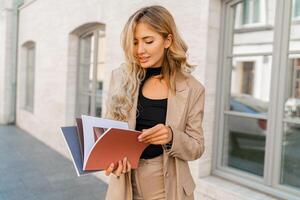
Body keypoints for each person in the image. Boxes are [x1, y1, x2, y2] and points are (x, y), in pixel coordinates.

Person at [104, 5, 205, 200]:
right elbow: (109, 133)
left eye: (148, 41)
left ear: (168, 40)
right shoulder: (120, 78)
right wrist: (112, 160)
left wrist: (171, 136)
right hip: (125, 184)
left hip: (168, 187)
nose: (140, 50)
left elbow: (197, 147)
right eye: (134, 42)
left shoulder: (193, 89)